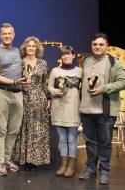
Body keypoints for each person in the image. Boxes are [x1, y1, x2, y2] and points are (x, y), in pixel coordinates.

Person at [78, 32, 125, 184]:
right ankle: (90, 169)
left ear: (106, 45)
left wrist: (103, 88)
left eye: (101, 44)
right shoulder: (86, 61)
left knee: (105, 142)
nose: (97, 47)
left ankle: (104, 171)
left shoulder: (113, 62)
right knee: (90, 142)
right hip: (86, 110)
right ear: (91, 45)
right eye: (95, 44)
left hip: (104, 111)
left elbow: (122, 82)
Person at [0, 22, 27, 175]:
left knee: (13, 130)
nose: (7, 36)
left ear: (13, 34)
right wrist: (14, 81)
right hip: (2, 93)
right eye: (4, 33)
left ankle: (7, 159)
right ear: (0, 35)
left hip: (18, 93)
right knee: (1, 130)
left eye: (9, 33)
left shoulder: (17, 50)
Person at [13, 36, 50, 171]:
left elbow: (45, 82)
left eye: (33, 46)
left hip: (39, 99)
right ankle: (25, 159)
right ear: (24, 48)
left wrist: (49, 98)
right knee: (24, 129)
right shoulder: (19, 62)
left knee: (37, 130)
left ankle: (35, 160)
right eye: (28, 46)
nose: (31, 48)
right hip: (23, 98)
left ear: (37, 48)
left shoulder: (43, 64)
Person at [48, 45, 82, 177]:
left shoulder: (80, 71)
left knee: (71, 139)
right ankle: (63, 165)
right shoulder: (55, 71)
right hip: (58, 108)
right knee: (62, 139)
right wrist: (55, 91)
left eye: (69, 54)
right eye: (64, 54)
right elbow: (50, 86)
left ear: (73, 56)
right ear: (61, 57)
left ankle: (71, 166)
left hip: (73, 109)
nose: (66, 56)